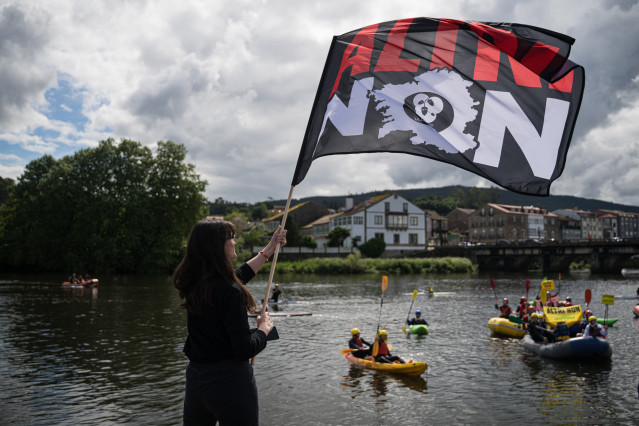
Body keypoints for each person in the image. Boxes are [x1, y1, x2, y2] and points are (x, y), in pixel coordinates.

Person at [172, 219, 287, 425]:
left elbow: (237, 276)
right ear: (217, 246)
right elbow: (244, 349)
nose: (235, 242)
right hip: (230, 383)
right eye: (231, 238)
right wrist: (263, 330)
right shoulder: (230, 292)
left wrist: (269, 249)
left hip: (197, 380)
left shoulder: (195, 281)